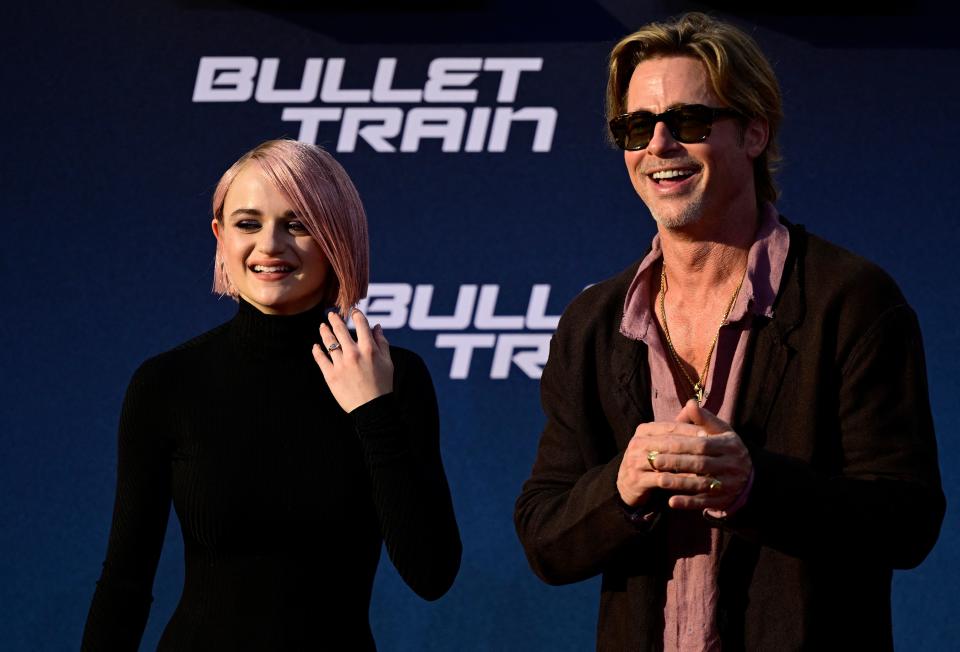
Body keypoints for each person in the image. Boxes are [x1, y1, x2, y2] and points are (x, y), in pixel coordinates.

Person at [514, 12, 944, 651]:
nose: (659, 145)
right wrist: (622, 487)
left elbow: (906, 521)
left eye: (688, 121)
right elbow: (545, 536)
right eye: (636, 127)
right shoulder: (593, 323)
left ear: (753, 132)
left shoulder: (849, 300)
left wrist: (755, 487)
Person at [82, 139, 461, 651]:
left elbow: (431, 572)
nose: (270, 246)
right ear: (219, 236)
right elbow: (126, 582)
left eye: (298, 224)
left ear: (336, 236)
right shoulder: (167, 383)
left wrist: (371, 410)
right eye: (248, 224)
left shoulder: (395, 375)